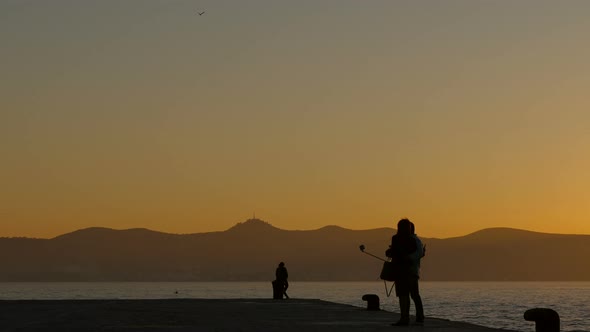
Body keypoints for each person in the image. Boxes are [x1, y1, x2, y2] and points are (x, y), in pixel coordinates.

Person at [386, 218, 417, 326]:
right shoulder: (412, 240)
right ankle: (406, 317)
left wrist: (389, 252)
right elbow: (413, 253)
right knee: (406, 295)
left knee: (401, 295)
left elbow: (393, 252)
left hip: (399, 270)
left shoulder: (395, 238)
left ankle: (403, 318)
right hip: (408, 270)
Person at [409, 221, 425, 324]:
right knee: (409, 295)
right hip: (407, 271)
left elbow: (419, 253)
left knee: (414, 295)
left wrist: (407, 258)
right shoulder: (410, 240)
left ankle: (420, 317)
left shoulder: (415, 240)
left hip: (412, 271)